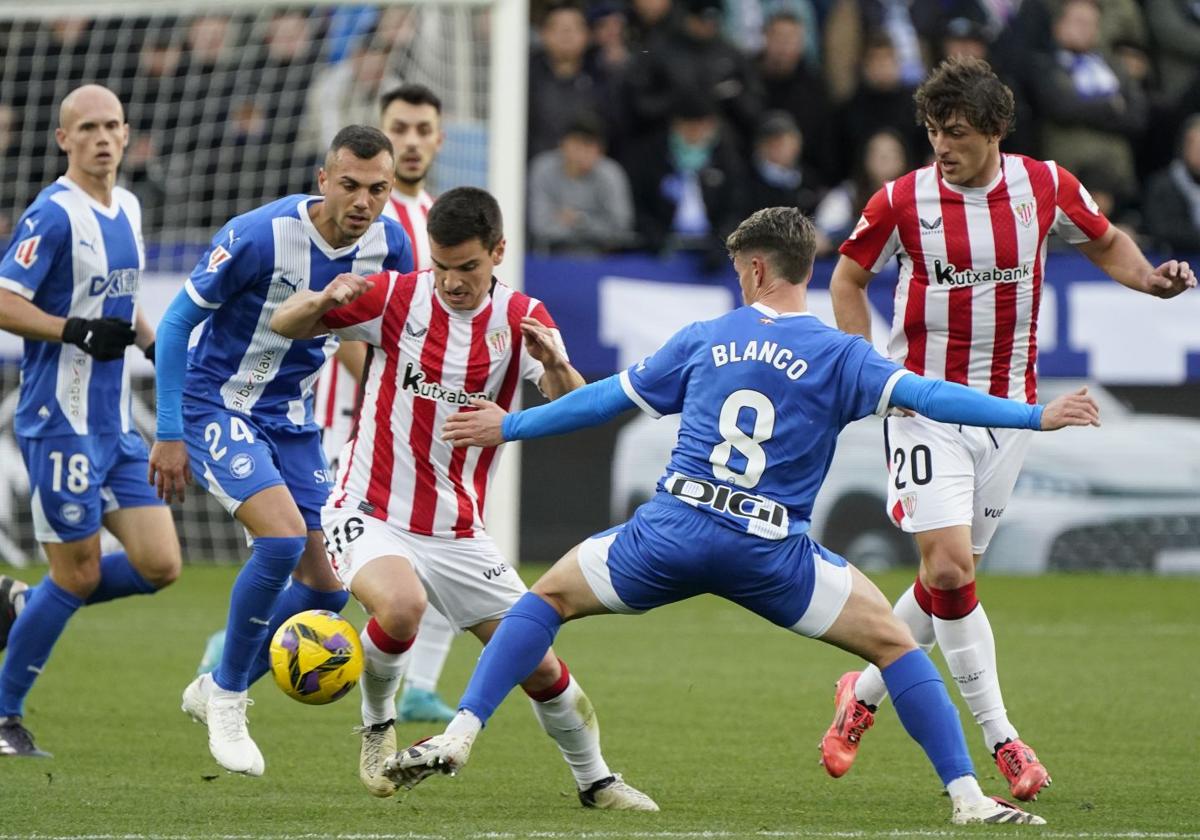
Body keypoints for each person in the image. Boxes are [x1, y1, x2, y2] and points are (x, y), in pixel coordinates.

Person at [383, 206, 1103, 825]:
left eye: (737, 266)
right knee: (896, 648)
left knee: (544, 601)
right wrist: (1034, 415)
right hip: (769, 550)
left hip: (671, 531)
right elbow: (936, 397)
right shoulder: (840, 354)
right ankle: (969, 796)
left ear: (756, 269)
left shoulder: (706, 337)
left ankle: (461, 731)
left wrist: (506, 427)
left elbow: (602, 401)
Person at [821, 55, 1195, 801]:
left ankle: (861, 694)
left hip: (1007, 416)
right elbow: (848, 276)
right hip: (925, 408)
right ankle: (1004, 739)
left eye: (954, 132)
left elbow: (1103, 237)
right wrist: (864, 365)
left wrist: (1149, 278)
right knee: (953, 571)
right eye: (931, 131)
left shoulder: (1045, 186)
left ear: (994, 130)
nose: (940, 146)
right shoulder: (901, 199)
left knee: (942, 582)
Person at [269, 186, 657, 810]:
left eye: (468, 268)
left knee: (539, 664)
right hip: (368, 507)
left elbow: (572, 403)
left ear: (498, 252)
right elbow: (284, 325)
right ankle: (377, 726)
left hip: (458, 529)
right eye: (442, 266)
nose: (452, 282)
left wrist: (554, 364)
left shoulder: (522, 317)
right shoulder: (395, 295)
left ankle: (596, 781)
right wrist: (320, 300)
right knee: (401, 608)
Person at [149, 125, 414, 777]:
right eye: (349, 185)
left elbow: (393, 337)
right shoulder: (258, 235)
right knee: (279, 541)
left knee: (329, 590)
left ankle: (215, 681)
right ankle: (231, 701)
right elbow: (180, 321)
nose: (362, 201)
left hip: (291, 418)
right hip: (218, 402)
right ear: (323, 180)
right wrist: (170, 428)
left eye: (377, 189)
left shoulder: (393, 245)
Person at [200, 84, 463, 725]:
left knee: (347, 577)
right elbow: (359, 338)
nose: (411, 140)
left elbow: (406, 329)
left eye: (422, 129)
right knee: (292, 544)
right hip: (331, 418)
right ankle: (227, 672)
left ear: (437, 140)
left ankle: (411, 680)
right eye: (399, 126)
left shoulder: (423, 226)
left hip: (354, 420)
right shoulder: (274, 230)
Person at [0, 84, 181, 757]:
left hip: (113, 425)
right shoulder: (51, 216)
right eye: (89, 129)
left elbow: (120, 293)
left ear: (128, 133)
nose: (103, 138)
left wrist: (150, 339)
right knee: (76, 574)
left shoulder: (128, 205)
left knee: (160, 564)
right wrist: (71, 329)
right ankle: (4, 715)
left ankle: (24, 607)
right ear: (64, 139)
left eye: (113, 126)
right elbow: (4, 300)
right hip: (60, 422)